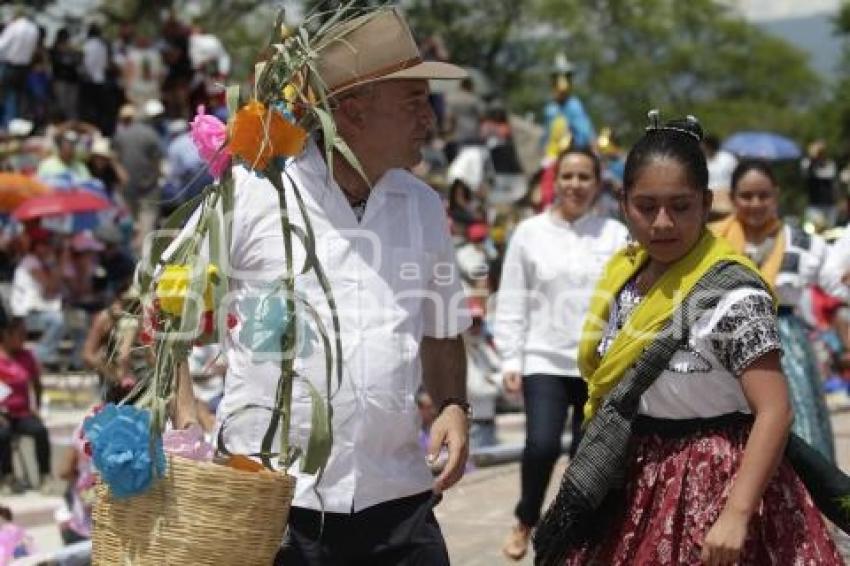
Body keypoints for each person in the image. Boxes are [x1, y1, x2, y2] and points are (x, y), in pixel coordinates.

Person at [170, 8, 471, 565]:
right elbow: (160, 314)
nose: (429, 119)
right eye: (412, 102)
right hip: (273, 504)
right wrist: (187, 417)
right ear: (353, 112)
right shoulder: (255, 193)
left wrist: (454, 404)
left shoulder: (424, 206)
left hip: (397, 496)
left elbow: (443, 324)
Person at [533, 113, 842, 565]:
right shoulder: (624, 279)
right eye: (646, 206)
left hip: (724, 481)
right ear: (623, 203)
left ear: (706, 202)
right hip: (638, 479)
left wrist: (737, 514)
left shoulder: (733, 292)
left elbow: (775, 409)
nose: (662, 222)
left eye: (680, 206)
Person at [494, 147, 627, 560]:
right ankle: (526, 517)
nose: (575, 185)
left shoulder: (616, 235)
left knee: (585, 458)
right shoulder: (529, 233)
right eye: (567, 176)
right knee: (540, 447)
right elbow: (513, 297)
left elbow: (626, 300)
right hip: (542, 358)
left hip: (598, 365)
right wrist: (510, 358)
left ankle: (570, 537)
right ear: (555, 180)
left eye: (584, 177)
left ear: (598, 182)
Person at [711, 160, 838, 461]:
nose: (755, 203)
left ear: (776, 195)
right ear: (732, 197)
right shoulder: (711, 241)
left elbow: (836, 281)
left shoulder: (803, 243)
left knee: (797, 426)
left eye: (763, 195)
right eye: (746, 196)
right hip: (724, 340)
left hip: (785, 342)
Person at [0, 313, 50, 491]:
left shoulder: (27, 356)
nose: (24, 338)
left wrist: (36, 407)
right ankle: (7, 476)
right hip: (1, 415)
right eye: (20, 334)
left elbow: (37, 384)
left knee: (40, 430)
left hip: (21, 413)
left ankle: (45, 476)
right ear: (6, 334)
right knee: (3, 434)